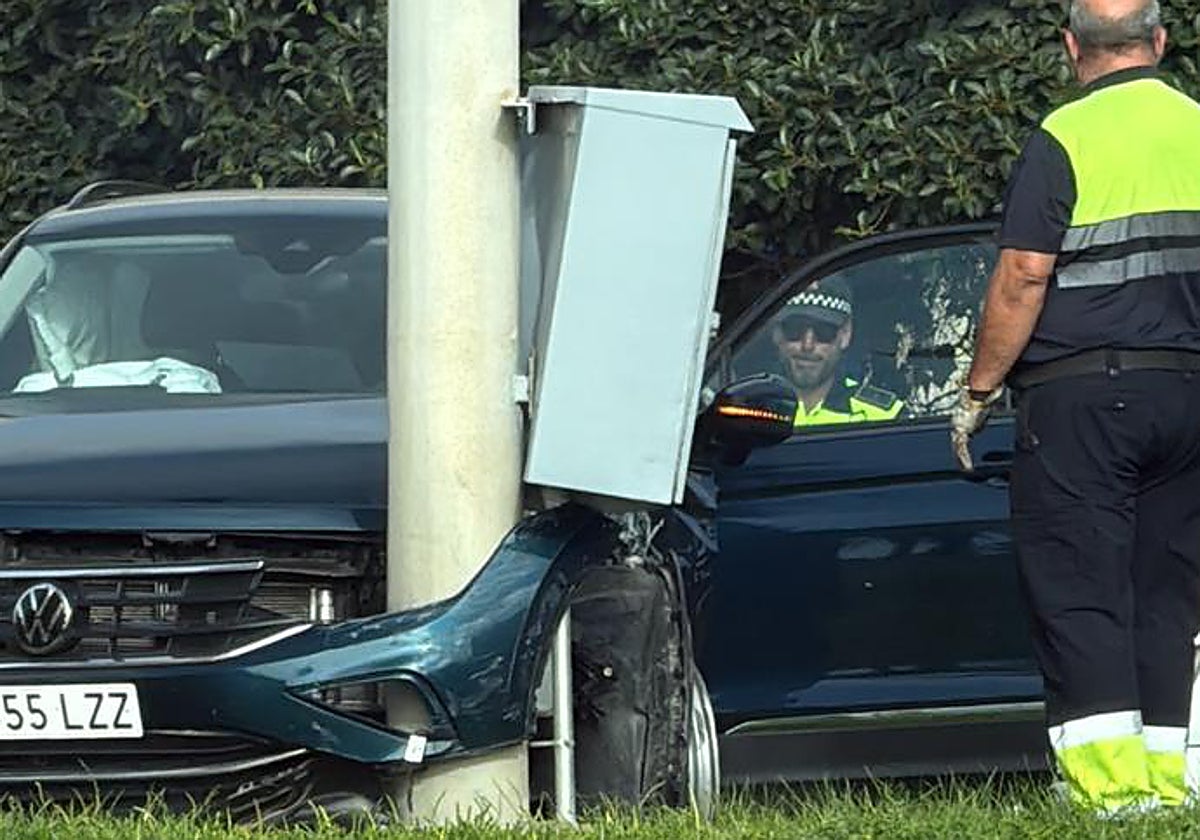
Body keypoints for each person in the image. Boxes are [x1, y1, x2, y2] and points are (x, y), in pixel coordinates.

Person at [950, 0, 1200, 813]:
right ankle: (1173, 784)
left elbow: (1024, 274)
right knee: (1172, 590)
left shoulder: (1065, 137)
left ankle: (1111, 797)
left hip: (1083, 397)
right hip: (1189, 392)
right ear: (1160, 42)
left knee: (1080, 586)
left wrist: (978, 391)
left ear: (1070, 48)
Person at [770, 275, 902, 427]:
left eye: (824, 331)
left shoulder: (884, 417)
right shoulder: (750, 406)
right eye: (795, 329)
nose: (808, 345)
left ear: (845, 335)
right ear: (777, 333)